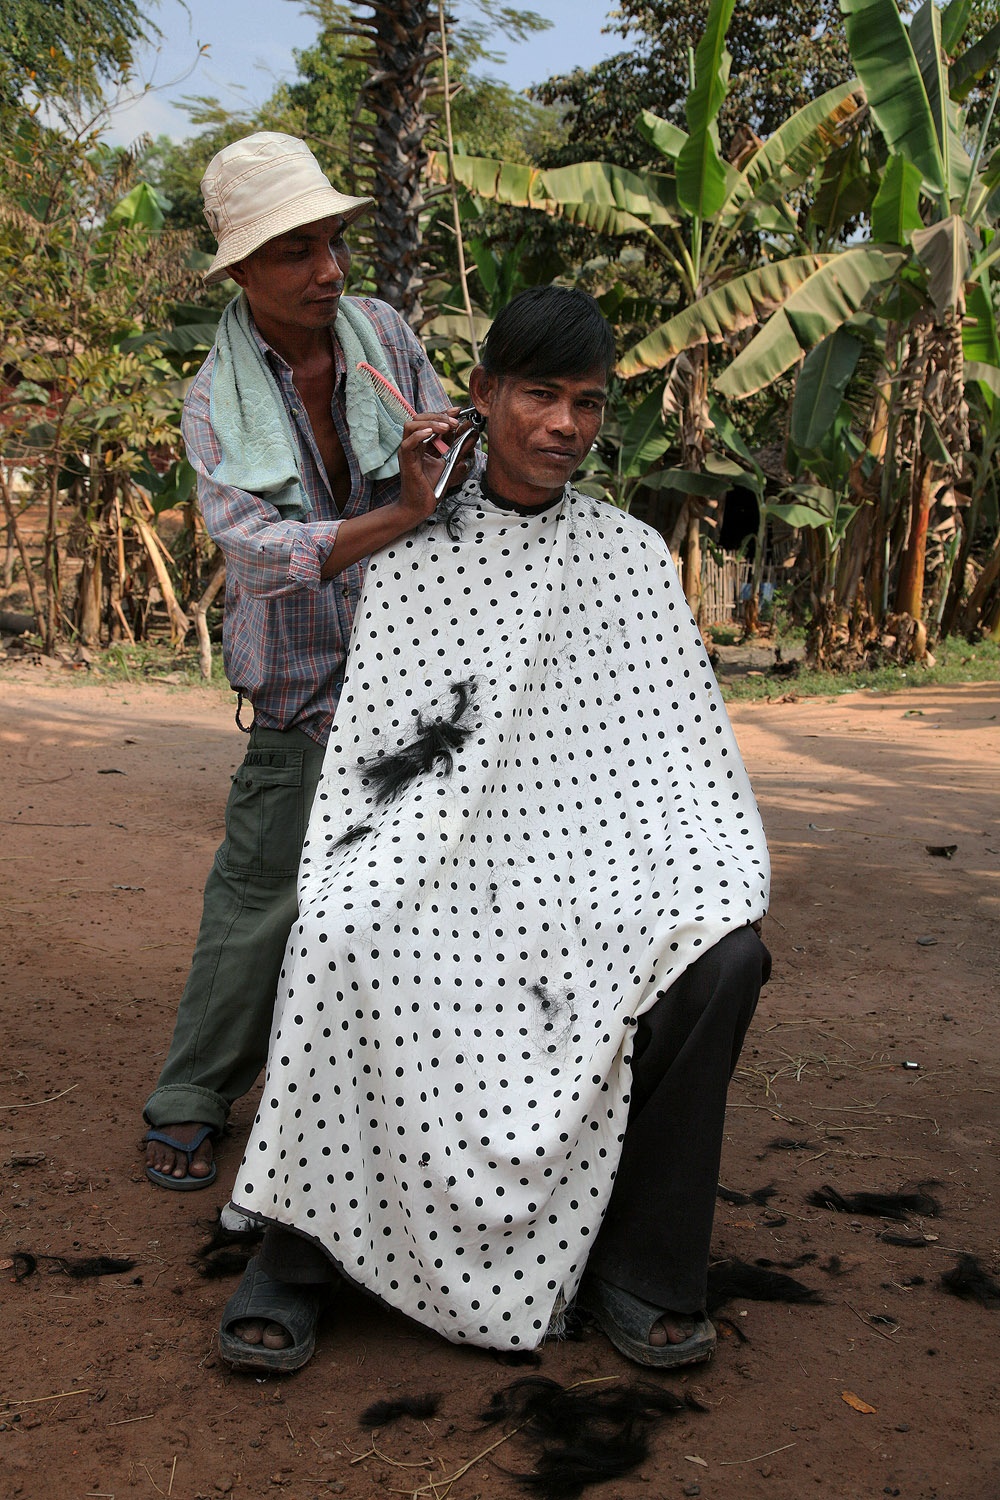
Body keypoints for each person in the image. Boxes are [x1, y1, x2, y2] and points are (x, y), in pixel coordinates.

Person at [217, 285, 771, 1373]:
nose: (564, 424)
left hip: (594, 869)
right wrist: (408, 860)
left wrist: (675, 873)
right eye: (539, 395)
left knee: (725, 955)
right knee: (339, 934)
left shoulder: (627, 558)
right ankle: (296, 1254)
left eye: (587, 402)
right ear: (480, 394)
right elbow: (387, 759)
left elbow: (675, 761)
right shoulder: (416, 551)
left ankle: (643, 1264)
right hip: (436, 861)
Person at [143, 132, 478, 1190]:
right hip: (297, 693)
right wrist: (404, 509)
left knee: (427, 902)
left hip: (417, 680)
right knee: (259, 900)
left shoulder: (381, 331)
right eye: (296, 251)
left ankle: (425, 1113)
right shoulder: (212, 400)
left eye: (332, 242)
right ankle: (191, 1096)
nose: (328, 270)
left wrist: (446, 446)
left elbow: (449, 477)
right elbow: (259, 550)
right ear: (240, 271)